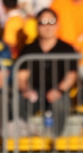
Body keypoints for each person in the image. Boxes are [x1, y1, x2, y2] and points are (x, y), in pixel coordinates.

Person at [16, 8, 77, 137]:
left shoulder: (67, 49)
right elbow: (21, 77)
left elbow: (71, 76)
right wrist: (26, 90)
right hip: (35, 92)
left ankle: (54, 139)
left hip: (58, 92)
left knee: (61, 103)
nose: (47, 26)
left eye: (51, 21)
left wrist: (58, 90)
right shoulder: (29, 49)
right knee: (19, 100)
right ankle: (26, 135)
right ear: (37, 25)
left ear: (57, 25)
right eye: (43, 22)